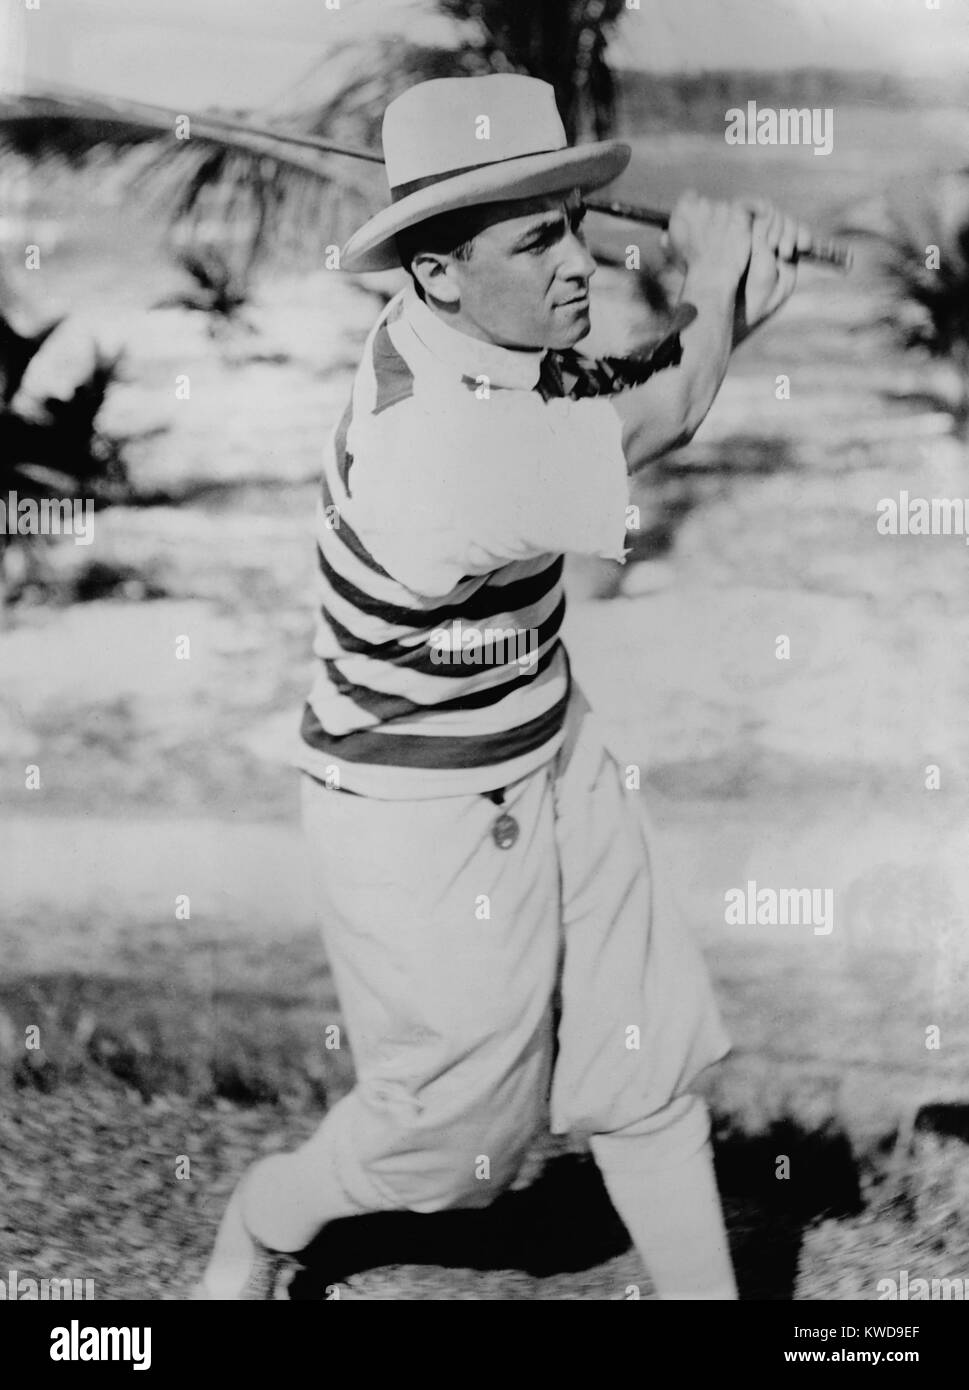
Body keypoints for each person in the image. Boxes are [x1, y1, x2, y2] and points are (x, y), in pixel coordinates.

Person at [195, 72, 811, 1300]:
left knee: (642, 1057)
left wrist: (721, 294)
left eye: (580, 223)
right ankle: (261, 1224)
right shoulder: (442, 442)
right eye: (539, 240)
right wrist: (716, 289)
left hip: (547, 734)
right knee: (450, 1149)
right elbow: (667, 411)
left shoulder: (485, 335)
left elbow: (613, 389)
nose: (578, 264)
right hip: (418, 810)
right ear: (431, 272)